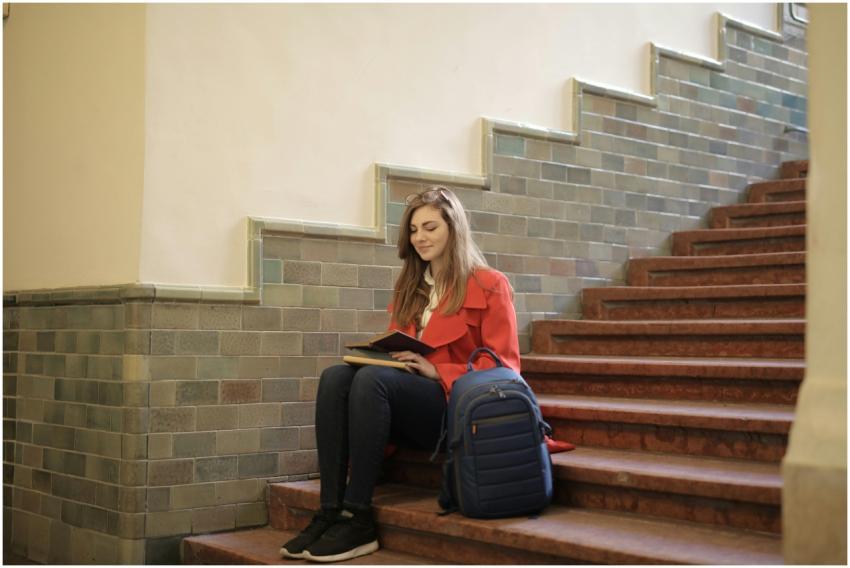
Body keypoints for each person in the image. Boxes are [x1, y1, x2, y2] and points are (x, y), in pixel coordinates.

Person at [280, 186, 520, 563]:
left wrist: (437, 370)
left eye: (430, 227)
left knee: (373, 380)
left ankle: (358, 517)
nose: (420, 237)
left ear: (453, 228)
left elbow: (505, 367)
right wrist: (385, 357)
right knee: (336, 377)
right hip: (406, 400)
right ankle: (330, 510)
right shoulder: (412, 286)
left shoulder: (490, 284)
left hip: (454, 408)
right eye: (413, 230)